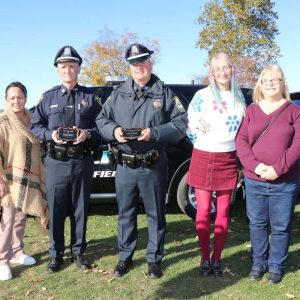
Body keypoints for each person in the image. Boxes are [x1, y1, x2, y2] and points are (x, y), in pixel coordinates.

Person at [96, 43, 187, 278]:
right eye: (134, 63)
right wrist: (114, 131)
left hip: (153, 164)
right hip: (125, 165)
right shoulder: (118, 94)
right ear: (129, 67)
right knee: (125, 213)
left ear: (150, 62)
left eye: (143, 61)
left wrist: (154, 133)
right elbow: (101, 120)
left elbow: (180, 123)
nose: (139, 67)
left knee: (155, 213)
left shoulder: (164, 92)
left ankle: (154, 259)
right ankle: (125, 257)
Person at [31, 45, 101, 273]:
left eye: (72, 66)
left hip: (82, 161)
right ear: (58, 70)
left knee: (80, 208)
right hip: (56, 162)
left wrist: (87, 134)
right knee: (57, 210)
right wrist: (50, 135)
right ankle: (56, 254)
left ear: (78, 68)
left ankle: (78, 252)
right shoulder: (48, 97)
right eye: (63, 66)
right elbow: (35, 126)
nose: (68, 70)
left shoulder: (91, 97)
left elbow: (103, 126)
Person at [236, 65, 300, 284]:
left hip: (285, 181)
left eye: (276, 79)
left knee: (281, 226)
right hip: (254, 180)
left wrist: (277, 169)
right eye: (266, 80)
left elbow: (298, 145)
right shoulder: (251, 110)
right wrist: (255, 166)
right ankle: (258, 263)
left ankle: (276, 265)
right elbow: (241, 141)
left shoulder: (294, 110)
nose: (271, 83)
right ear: (260, 85)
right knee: (257, 223)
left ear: (283, 83)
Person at [187, 53, 246, 276]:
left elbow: (242, 129)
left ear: (232, 70)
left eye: (226, 67)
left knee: (223, 212)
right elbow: (191, 125)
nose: (222, 72)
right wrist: (204, 143)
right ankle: (204, 257)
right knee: (202, 211)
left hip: (228, 159)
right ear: (211, 72)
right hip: (203, 156)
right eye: (217, 68)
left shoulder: (239, 97)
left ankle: (217, 258)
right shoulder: (202, 95)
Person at [0, 82, 47, 281]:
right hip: (8, 178)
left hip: (27, 177)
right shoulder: (2, 121)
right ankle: (3, 260)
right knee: (8, 219)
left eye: (19, 97)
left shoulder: (31, 118)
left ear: (25, 98)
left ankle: (18, 252)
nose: (16, 101)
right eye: (11, 98)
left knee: (20, 217)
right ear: (6, 100)